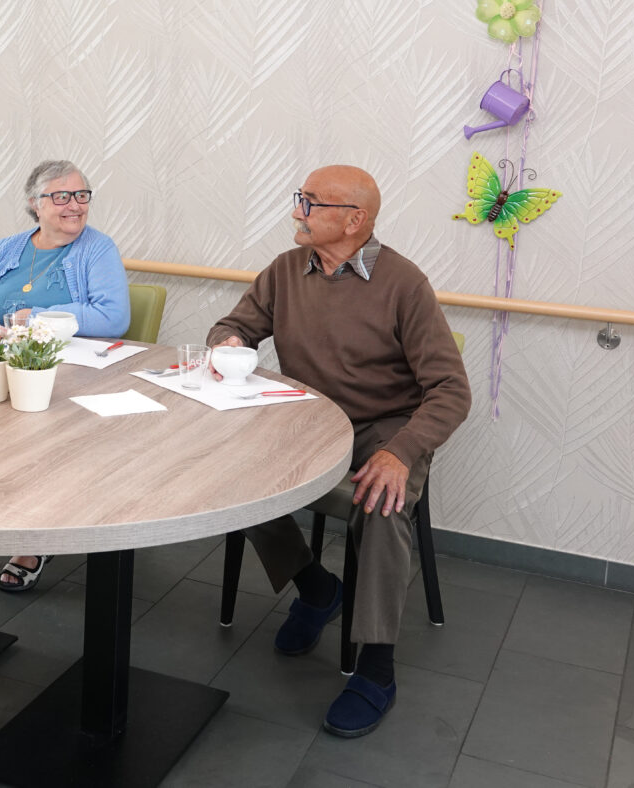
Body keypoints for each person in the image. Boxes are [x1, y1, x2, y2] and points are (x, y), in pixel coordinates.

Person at [207, 165, 470, 737]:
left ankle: (376, 668)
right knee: (235, 476)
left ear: (354, 220)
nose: (296, 212)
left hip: (385, 428)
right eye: (299, 199)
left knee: (381, 505)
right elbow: (234, 325)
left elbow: (451, 390)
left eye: (310, 203)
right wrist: (228, 342)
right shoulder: (285, 270)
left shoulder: (404, 284)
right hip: (309, 421)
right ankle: (317, 588)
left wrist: (402, 452)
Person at [0, 160, 130, 591]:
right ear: (35, 203)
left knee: (35, 431)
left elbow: (113, 317)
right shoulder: (3, 250)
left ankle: (36, 537)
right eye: (61, 196)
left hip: (64, 376)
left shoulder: (97, 249)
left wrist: (36, 317)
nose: (75, 205)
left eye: (81, 195)